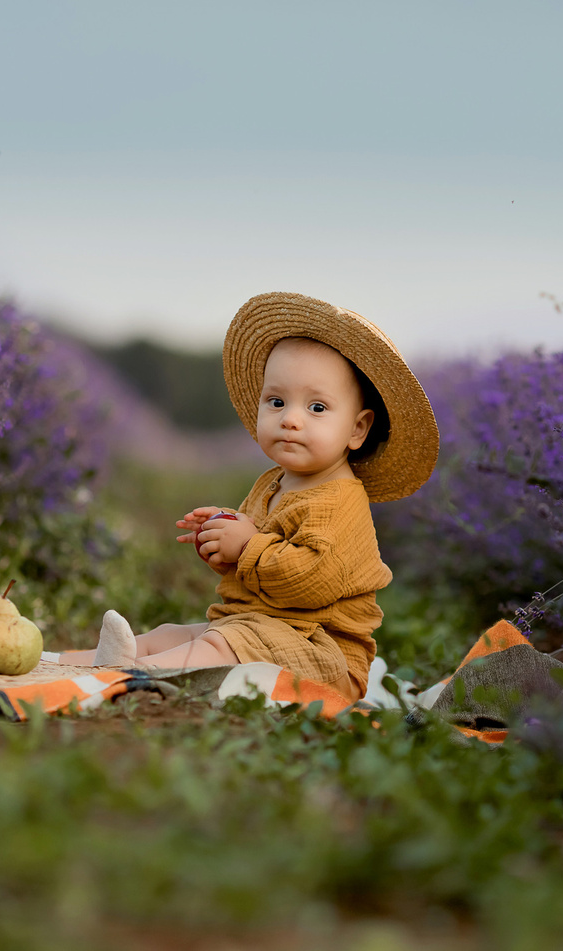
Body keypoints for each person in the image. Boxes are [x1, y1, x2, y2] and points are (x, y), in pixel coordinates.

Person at [70, 293, 439, 703]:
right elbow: (254, 568)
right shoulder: (272, 483)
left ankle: (133, 675)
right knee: (173, 634)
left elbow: (309, 580)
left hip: (323, 655)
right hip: (261, 627)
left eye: (317, 407)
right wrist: (222, 540)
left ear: (357, 429)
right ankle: (78, 663)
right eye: (277, 402)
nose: (291, 419)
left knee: (218, 644)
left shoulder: (340, 501)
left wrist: (246, 545)